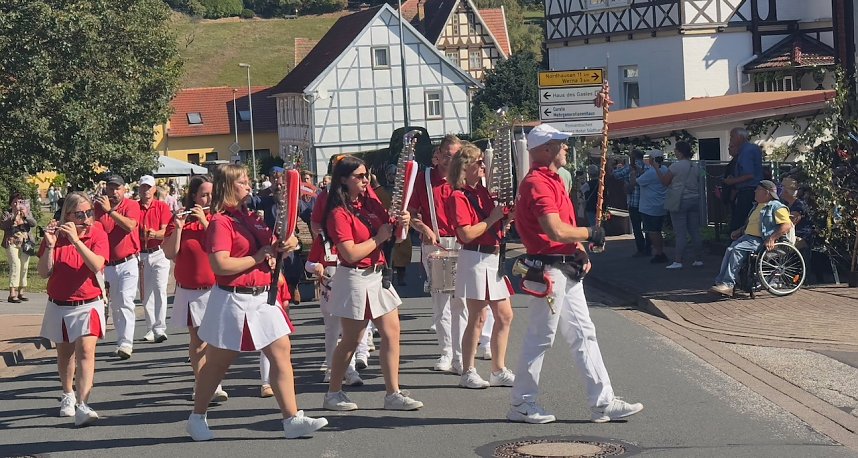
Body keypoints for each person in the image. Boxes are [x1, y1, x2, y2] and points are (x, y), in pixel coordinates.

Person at [508, 123, 643, 424]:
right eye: (561, 142)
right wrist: (590, 233)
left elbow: (562, 228)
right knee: (541, 337)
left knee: (584, 334)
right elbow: (553, 229)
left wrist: (580, 246)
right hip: (549, 271)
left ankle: (603, 401)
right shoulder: (538, 184)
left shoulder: (552, 180)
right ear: (545, 149)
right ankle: (521, 402)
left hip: (563, 268)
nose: (566, 147)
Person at [186, 164, 327, 441]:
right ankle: (197, 416)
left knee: (281, 354)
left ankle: (291, 418)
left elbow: (274, 245)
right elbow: (220, 263)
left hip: (263, 297)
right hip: (232, 299)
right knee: (217, 363)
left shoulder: (252, 217)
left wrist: (288, 244)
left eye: (248, 181)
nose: (248, 186)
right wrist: (258, 256)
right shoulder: (220, 222)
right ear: (228, 187)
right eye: (242, 182)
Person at [320, 155, 423, 412]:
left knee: (392, 334)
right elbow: (350, 253)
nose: (366, 180)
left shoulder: (369, 202)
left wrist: (403, 225)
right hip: (354, 278)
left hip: (377, 276)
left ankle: (393, 393)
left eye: (366, 175)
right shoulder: (337, 213)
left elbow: (393, 236)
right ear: (343, 180)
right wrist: (378, 238)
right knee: (351, 340)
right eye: (359, 176)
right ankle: (333, 393)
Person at [445, 143, 516, 389]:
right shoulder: (458, 196)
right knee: (477, 316)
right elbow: (466, 234)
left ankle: (498, 368)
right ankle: (468, 370)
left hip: (492, 257)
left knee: (505, 315)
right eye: (479, 162)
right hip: (474, 258)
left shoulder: (482, 192)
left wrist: (506, 219)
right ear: (466, 167)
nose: (484, 165)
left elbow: (491, 223)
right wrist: (493, 219)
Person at [37, 192, 108, 427]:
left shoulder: (97, 233)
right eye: (80, 214)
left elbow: (96, 264)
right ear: (67, 215)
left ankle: (83, 404)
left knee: (86, 352)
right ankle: (67, 393)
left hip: (89, 302)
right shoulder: (57, 235)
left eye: (90, 213)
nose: (87, 219)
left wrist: (77, 241)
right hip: (60, 303)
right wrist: (49, 246)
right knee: (65, 354)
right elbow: (44, 272)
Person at [163, 176, 229, 404]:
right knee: (199, 340)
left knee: (216, 339)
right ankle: (202, 383)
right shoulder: (180, 219)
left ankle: (214, 381)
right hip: (190, 290)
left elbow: (223, 245)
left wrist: (205, 223)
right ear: (194, 196)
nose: (208, 199)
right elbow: (170, 253)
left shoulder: (219, 220)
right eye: (203, 195)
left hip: (216, 289)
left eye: (212, 194)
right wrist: (179, 229)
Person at [408, 137, 467, 375]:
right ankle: (446, 352)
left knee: (461, 301)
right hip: (438, 244)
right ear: (438, 154)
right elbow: (411, 213)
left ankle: (461, 354)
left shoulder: (464, 178)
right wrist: (426, 229)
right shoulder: (424, 179)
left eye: (455, 155)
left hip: (463, 243)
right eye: (447, 155)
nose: (450, 160)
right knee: (442, 302)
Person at [710, 180, 792, 297]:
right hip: (747, 237)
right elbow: (750, 224)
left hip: (760, 239)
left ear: (767, 193)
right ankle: (721, 282)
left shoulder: (777, 207)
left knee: (736, 250)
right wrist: (739, 231)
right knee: (729, 250)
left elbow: (786, 225)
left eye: (757, 189)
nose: (755, 191)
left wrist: (772, 238)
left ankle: (728, 284)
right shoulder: (756, 206)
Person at [304, 234, 363, 386]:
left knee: (349, 331)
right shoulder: (322, 238)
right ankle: (331, 368)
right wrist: (315, 266)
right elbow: (309, 263)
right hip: (329, 289)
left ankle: (350, 370)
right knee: (332, 330)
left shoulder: (356, 235)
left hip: (350, 285)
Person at [93, 175, 141, 359]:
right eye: (110, 188)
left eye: (117, 188)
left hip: (127, 261)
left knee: (125, 301)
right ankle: (115, 339)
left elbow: (130, 226)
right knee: (112, 305)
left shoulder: (131, 205)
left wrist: (110, 211)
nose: (113, 192)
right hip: (107, 263)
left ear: (124, 190)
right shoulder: (98, 207)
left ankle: (126, 343)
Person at [655, 142, 703, 269]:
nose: (675, 152)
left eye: (676, 150)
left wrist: (656, 168)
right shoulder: (695, 166)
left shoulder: (675, 166)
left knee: (680, 232)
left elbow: (665, 182)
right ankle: (698, 259)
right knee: (694, 231)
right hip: (694, 199)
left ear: (680, 152)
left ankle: (678, 260)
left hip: (679, 200)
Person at [138, 175, 172, 343]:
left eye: (148, 187)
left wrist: (154, 233)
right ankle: (150, 328)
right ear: (139, 189)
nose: (146, 190)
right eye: (143, 187)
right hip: (141, 254)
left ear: (154, 189)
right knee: (146, 294)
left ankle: (160, 328)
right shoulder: (135, 207)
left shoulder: (162, 207)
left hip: (159, 252)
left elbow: (166, 231)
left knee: (160, 289)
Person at [611, 149, 650, 257]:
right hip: (646, 201)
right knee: (647, 227)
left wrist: (614, 168)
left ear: (633, 157)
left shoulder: (629, 168)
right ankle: (649, 249)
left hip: (633, 201)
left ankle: (641, 249)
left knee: (637, 228)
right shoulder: (648, 168)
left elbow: (616, 175)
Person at [725, 128, 763, 232]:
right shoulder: (750, 148)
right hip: (752, 190)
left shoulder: (747, 151)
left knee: (739, 223)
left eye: (732, 136)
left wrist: (731, 181)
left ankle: (737, 246)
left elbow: (749, 175)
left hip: (748, 191)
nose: (730, 139)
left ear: (740, 137)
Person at [2, 194, 37, 303]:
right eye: (15, 202)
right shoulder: (7, 214)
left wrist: (25, 215)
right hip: (11, 242)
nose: (17, 204)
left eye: (20, 202)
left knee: (24, 266)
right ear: (11, 203)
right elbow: (3, 225)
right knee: (15, 265)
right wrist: (14, 217)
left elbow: (33, 223)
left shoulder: (26, 212)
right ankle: (12, 293)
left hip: (25, 243)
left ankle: (21, 291)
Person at [636, 150, 669, 263]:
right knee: (657, 230)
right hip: (661, 204)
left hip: (650, 206)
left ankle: (659, 253)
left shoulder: (651, 172)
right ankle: (659, 251)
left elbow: (638, 181)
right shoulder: (665, 169)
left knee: (653, 231)